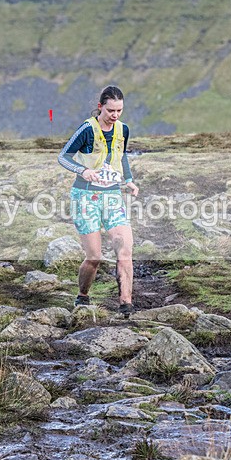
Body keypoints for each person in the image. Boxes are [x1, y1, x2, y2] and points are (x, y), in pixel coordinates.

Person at [58, 85, 139, 317]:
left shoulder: (123, 129)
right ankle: (82, 296)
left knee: (124, 248)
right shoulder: (87, 129)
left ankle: (126, 305)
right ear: (100, 107)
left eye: (119, 110)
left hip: (112, 196)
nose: (115, 115)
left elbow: (121, 156)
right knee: (94, 257)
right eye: (111, 110)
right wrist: (83, 171)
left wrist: (130, 180)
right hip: (85, 197)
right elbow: (63, 156)